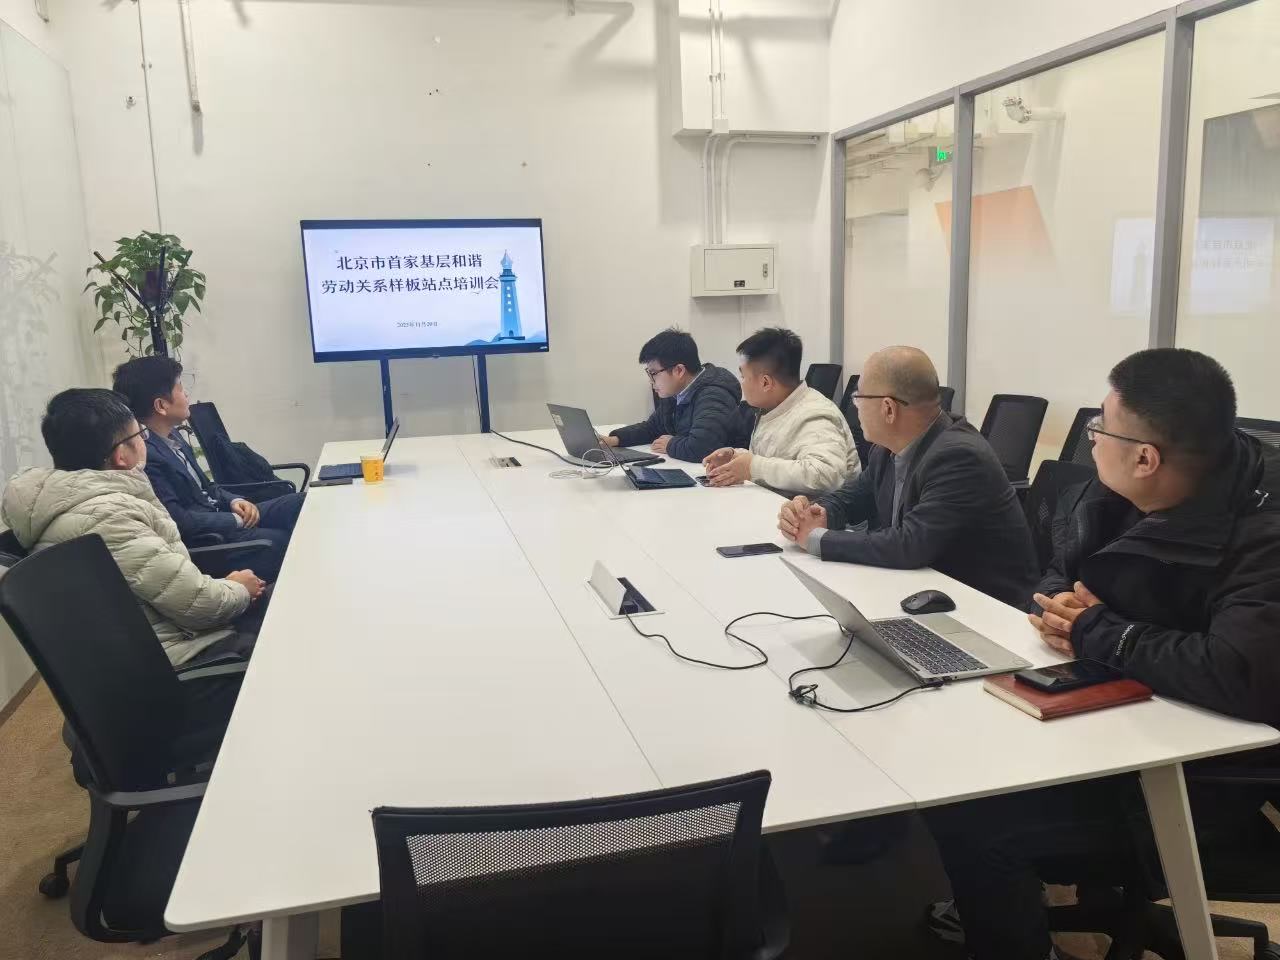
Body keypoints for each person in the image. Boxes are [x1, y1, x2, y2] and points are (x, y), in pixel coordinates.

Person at [925, 348, 1280, 960]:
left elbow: (1238, 672)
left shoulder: (1263, 535)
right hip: (1120, 715)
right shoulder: (1113, 493)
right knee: (951, 756)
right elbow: (1060, 575)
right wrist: (1061, 607)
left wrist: (1100, 632)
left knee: (974, 823)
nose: (1090, 437)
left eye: (1100, 426)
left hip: (1200, 777)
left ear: (1146, 457)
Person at [0, 388, 268, 666]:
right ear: (121, 456)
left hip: (167, 636)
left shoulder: (78, 504)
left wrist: (229, 586)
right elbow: (199, 606)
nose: (144, 440)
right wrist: (240, 588)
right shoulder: (109, 516)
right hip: (183, 656)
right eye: (140, 434)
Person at [776, 345, 1037, 606]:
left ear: (888, 409)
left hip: (984, 608)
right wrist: (815, 513)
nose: (855, 408)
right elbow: (853, 497)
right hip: (920, 590)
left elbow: (910, 545)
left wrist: (817, 538)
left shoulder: (958, 457)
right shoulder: (887, 449)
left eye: (859, 398)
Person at [112, 356, 303, 581]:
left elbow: (208, 486)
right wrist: (235, 519)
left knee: (300, 503)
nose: (186, 395)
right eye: (180, 388)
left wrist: (234, 501)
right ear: (161, 405)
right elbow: (179, 521)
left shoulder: (173, 437)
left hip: (220, 513)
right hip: (209, 539)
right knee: (283, 540)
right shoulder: (147, 457)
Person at [702, 328, 858, 496]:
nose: (742, 383)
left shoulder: (815, 415)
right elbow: (777, 458)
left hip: (815, 511)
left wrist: (753, 466)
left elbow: (826, 475)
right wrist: (736, 458)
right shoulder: (775, 406)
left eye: (743, 377)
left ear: (765, 383)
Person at [603, 328, 741, 463]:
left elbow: (702, 447)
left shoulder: (714, 395)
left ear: (679, 371)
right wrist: (614, 440)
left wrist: (670, 444)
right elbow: (653, 428)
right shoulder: (675, 391)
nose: (651, 381)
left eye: (653, 373)